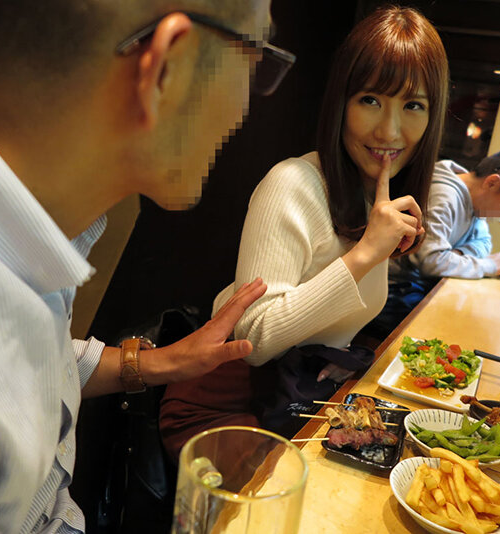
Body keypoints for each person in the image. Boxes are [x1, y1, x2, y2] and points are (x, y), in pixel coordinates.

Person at [0, 1, 293, 532]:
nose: (248, 106)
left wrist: (164, 362)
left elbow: (25, 362)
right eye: (256, 57)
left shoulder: (13, 190)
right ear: (167, 70)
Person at [159, 5, 449, 455]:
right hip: (224, 408)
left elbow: (324, 319)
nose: (390, 130)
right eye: (370, 100)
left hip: (292, 398)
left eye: (413, 106)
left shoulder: (373, 197)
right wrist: (364, 254)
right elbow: (254, 338)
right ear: (341, 103)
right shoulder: (292, 184)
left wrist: (335, 355)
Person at [366, 150, 500, 338]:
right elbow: (432, 262)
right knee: (460, 328)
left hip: (420, 283)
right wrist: (489, 265)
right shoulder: (444, 195)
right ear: (492, 183)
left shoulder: (475, 202)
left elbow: (484, 243)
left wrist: (453, 255)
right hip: (392, 288)